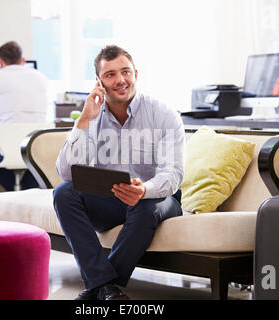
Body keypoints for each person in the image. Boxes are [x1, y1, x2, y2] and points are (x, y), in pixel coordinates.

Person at [53, 45, 185, 300]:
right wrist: (83, 121)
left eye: (125, 72)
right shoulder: (93, 116)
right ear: (99, 82)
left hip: (158, 199)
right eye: (110, 74)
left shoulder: (164, 114)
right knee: (64, 194)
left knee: (145, 206)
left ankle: (99, 286)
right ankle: (106, 288)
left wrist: (144, 189)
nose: (120, 80)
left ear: (135, 73)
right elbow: (67, 173)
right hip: (112, 199)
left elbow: (173, 174)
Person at [0, 41, 48, 191]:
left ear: (1, 62)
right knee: (37, 160)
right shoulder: (41, 78)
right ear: (23, 61)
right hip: (36, 151)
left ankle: (15, 191)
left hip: (7, 152)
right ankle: (25, 190)